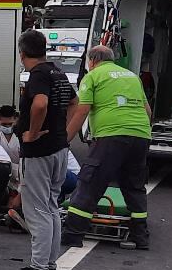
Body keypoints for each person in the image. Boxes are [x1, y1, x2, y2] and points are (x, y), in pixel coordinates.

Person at [63, 45, 153, 250]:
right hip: (140, 135)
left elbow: (81, 111)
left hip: (111, 136)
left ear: (92, 60)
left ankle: (73, 234)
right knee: (134, 186)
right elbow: (146, 110)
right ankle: (141, 237)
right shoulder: (132, 77)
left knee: (90, 182)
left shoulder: (93, 76)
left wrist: (65, 140)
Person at [8, 29, 74, 270]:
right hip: (58, 148)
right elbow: (74, 102)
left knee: (36, 210)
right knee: (51, 206)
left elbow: (40, 104)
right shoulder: (57, 71)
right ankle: (50, 264)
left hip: (38, 153)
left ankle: (38, 269)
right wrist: (62, 132)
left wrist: (33, 133)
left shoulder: (37, 75)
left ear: (22, 52)